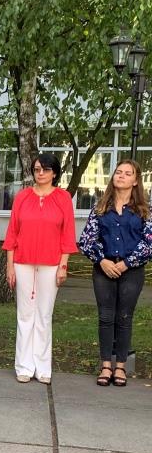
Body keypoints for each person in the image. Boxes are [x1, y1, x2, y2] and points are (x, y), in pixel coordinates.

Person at [3, 152, 77, 384]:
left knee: (44, 315)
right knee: (25, 315)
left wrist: (63, 265)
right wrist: (10, 266)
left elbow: (68, 234)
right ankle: (24, 366)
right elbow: (12, 232)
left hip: (52, 263)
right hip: (22, 262)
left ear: (54, 173)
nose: (41, 173)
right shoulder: (22, 197)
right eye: (37, 169)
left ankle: (43, 367)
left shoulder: (63, 198)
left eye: (45, 169)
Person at [78, 159, 152, 387]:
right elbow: (87, 240)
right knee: (105, 317)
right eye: (118, 172)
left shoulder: (144, 210)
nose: (121, 176)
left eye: (127, 173)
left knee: (124, 317)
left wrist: (127, 262)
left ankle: (120, 366)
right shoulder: (100, 208)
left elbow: (149, 242)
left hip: (131, 271)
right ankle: (105, 366)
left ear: (135, 180)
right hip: (104, 269)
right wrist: (102, 260)